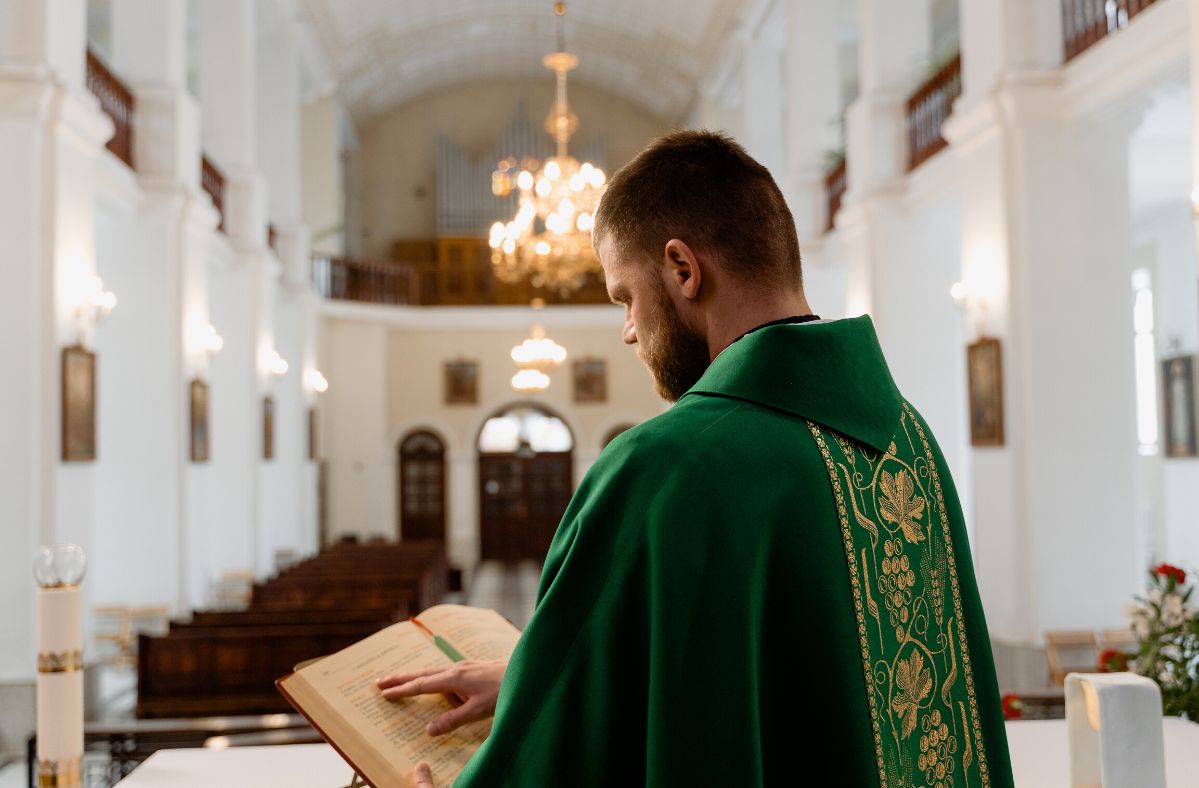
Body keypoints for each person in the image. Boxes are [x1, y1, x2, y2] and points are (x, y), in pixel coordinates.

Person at [378, 130, 1015, 787]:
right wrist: (530, 681)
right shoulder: (907, 441)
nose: (627, 330)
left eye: (625, 297)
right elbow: (801, 679)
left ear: (682, 269)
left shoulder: (665, 466)